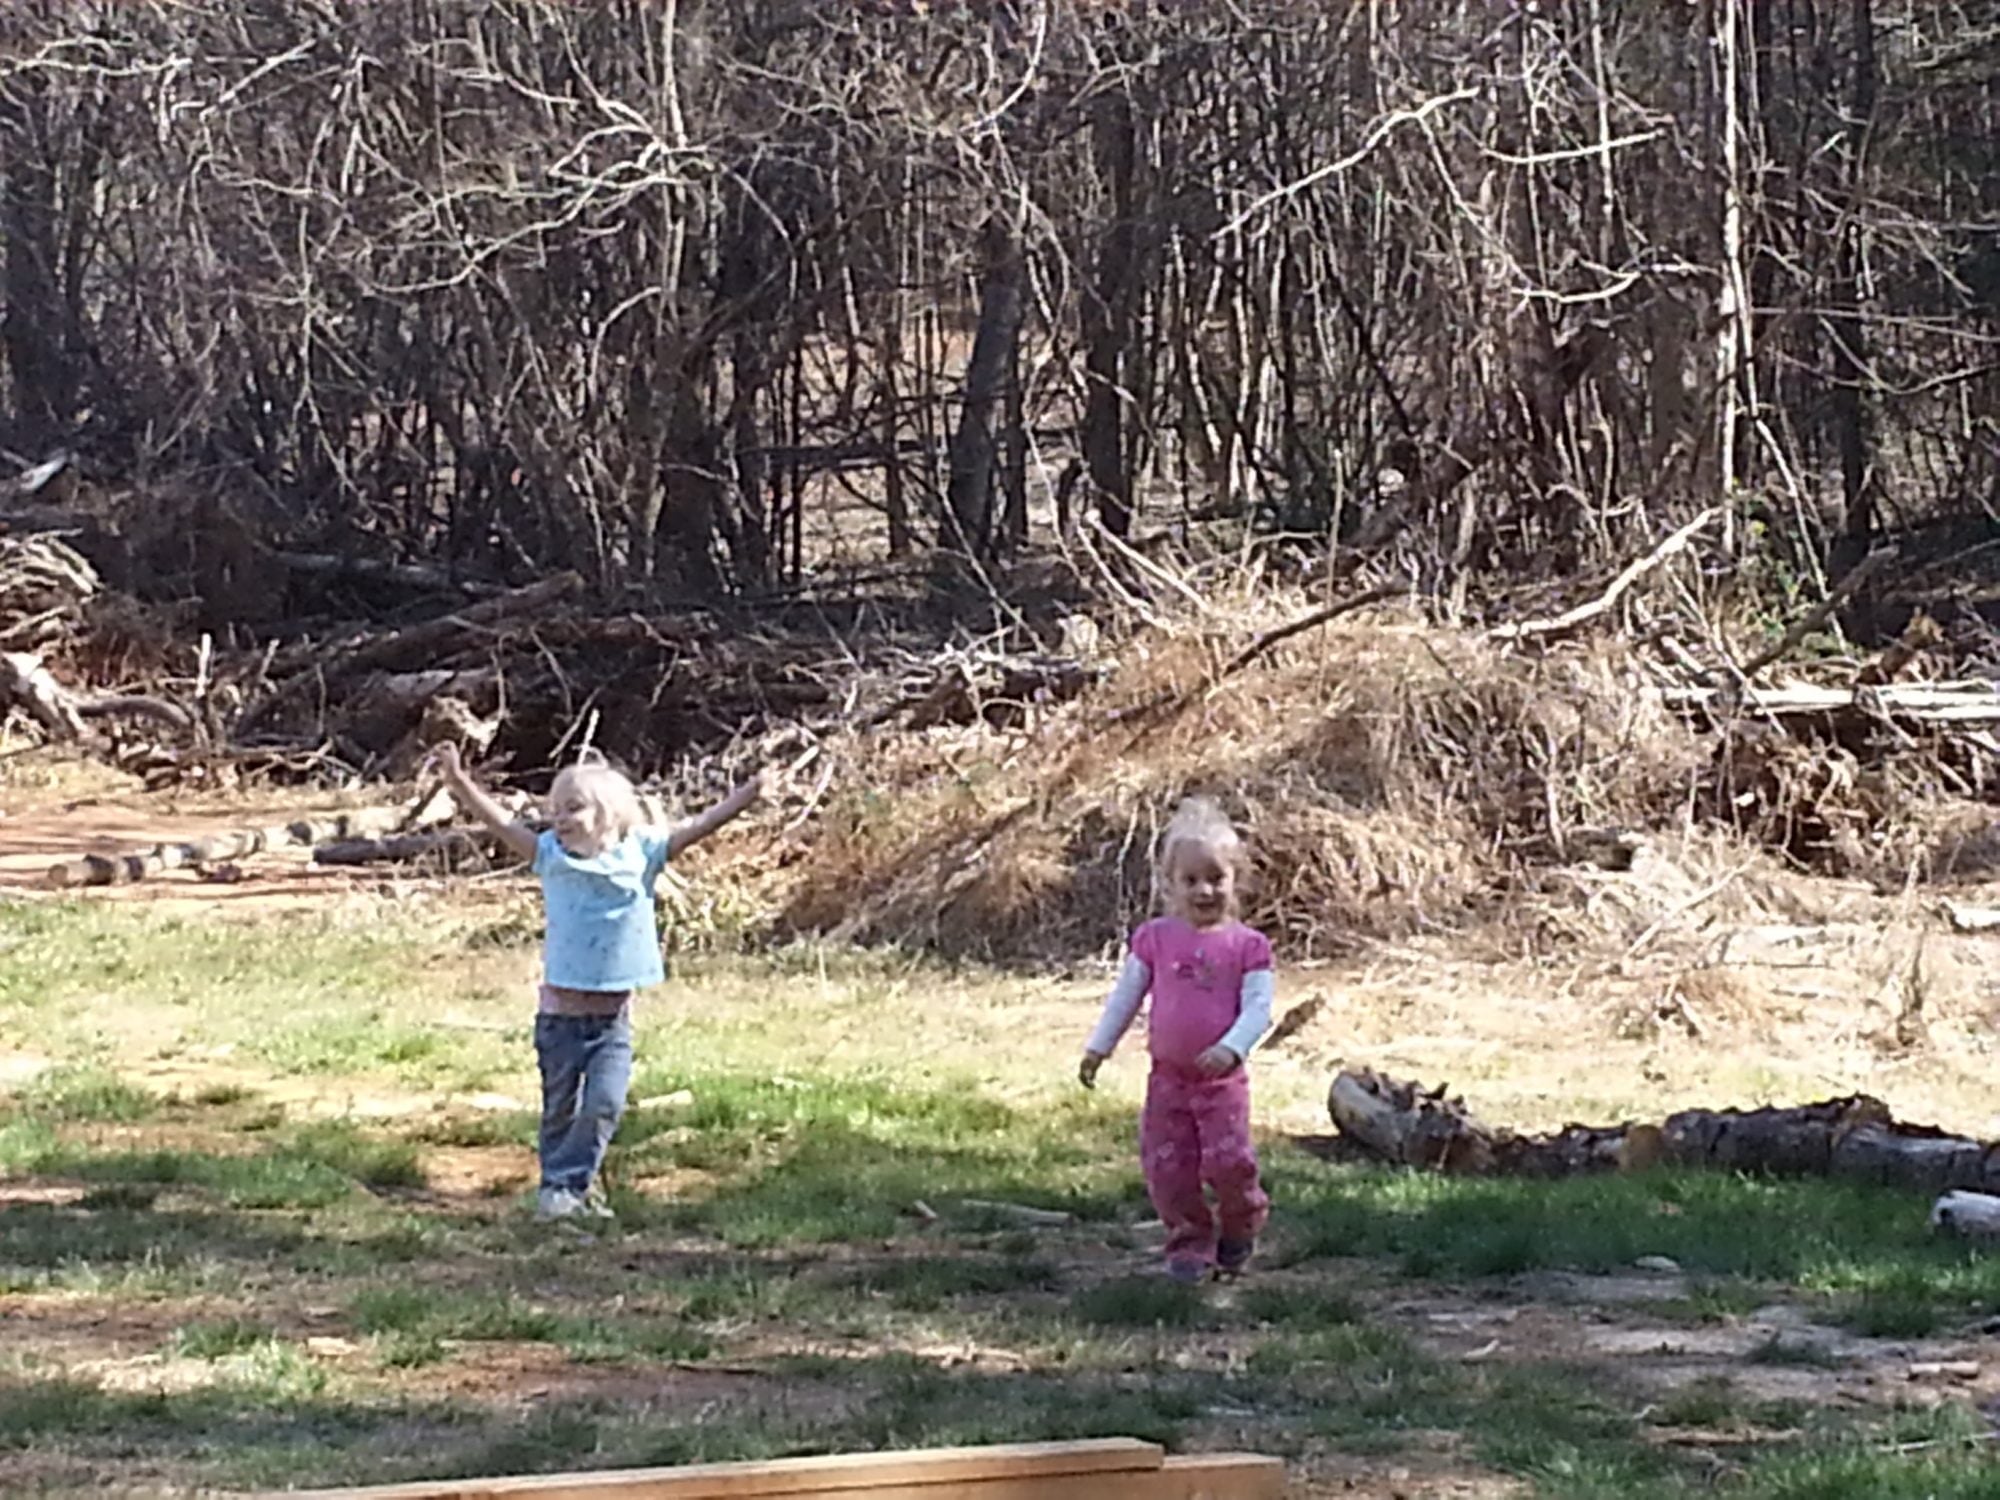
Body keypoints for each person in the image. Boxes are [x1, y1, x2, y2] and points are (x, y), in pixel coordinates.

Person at [430, 742, 760, 1221]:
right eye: (555, 809)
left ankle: (572, 1184)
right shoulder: (549, 855)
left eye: (574, 808)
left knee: (604, 1104)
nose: (559, 818)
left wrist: (747, 795)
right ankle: (561, 1191)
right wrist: (460, 782)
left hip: (612, 1023)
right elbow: (500, 822)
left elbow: (699, 826)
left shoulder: (642, 854)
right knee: (561, 1110)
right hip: (560, 1021)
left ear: (608, 814)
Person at [1079, 797, 1274, 1282]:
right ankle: (1189, 1243)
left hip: (1221, 1083)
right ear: (1170, 883)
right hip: (1167, 1080)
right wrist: (1099, 1047)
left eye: (1216, 878)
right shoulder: (1155, 939)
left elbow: (1258, 1009)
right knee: (1168, 1168)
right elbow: (1127, 996)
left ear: (1235, 879)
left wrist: (1231, 1047)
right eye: (1190, 880)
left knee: (1229, 1162)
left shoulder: (1248, 946)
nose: (1204, 890)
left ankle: (1242, 1223)